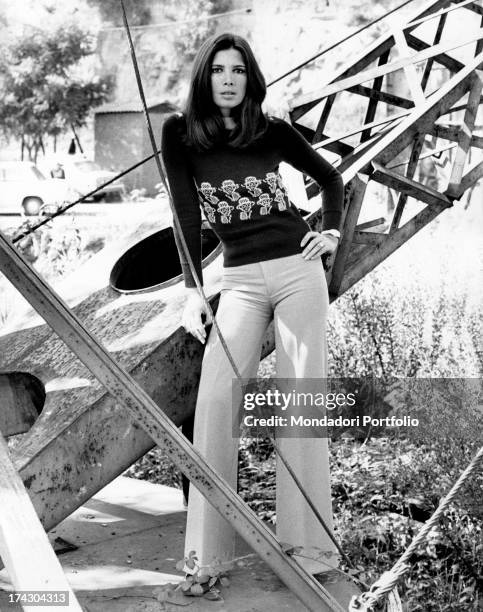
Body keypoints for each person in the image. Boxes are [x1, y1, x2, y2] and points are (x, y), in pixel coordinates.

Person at [161, 32, 344, 576]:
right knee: (216, 402)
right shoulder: (179, 134)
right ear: (204, 76)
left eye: (238, 70)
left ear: (250, 78)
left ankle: (310, 552)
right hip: (238, 281)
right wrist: (192, 291)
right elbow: (185, 215)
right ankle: (207, 555)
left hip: (297, 272)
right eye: (218, 70)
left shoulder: (272, 131)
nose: (228, 79)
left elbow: (330, 179)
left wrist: (329, 233)